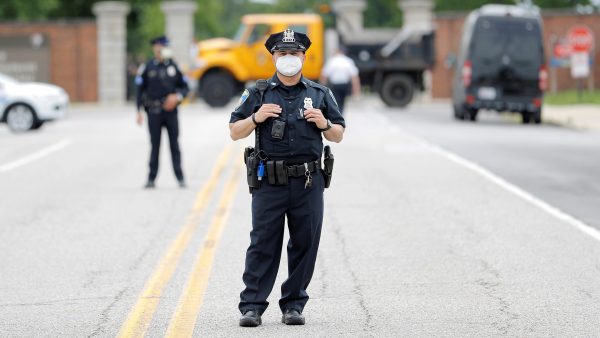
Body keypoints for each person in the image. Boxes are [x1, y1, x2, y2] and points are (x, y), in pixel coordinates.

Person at [229, 29, 346, 327]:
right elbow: (234, 131)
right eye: (282, 54)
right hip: (269, 181)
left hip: (308, 181)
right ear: (273, 57)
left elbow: (339, 134)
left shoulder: (319, 93)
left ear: (304, 57)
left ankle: (293, 304)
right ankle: (252, 306)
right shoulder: (258, 93)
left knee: (305, 242)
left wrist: (324, 123)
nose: (288, 59)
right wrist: (256, 117)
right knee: (263, 242)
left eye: (294, 54)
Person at [136, 36, 189, 189]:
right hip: (153, 112)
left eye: (162, 47)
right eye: (157, 46)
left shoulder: (174, 67)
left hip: (171, 112)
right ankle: (151, 178)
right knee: (155, 145)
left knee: (174, 145)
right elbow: (140, 90)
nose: (159, 49)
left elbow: (185, 87)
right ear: (154, 49)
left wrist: (177, 97)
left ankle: (180, 177)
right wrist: (138, 111)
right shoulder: (147, 67)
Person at [319, 47, 361, 114]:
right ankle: (341, 114)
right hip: (344, 85)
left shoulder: (332, 61)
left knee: (335, 101)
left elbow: (324, 75)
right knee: (342, 102)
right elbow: (354, 77)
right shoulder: (348, 61)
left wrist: (321, 88)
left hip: (335, 85)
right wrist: (356, 91)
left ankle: (337, 115)